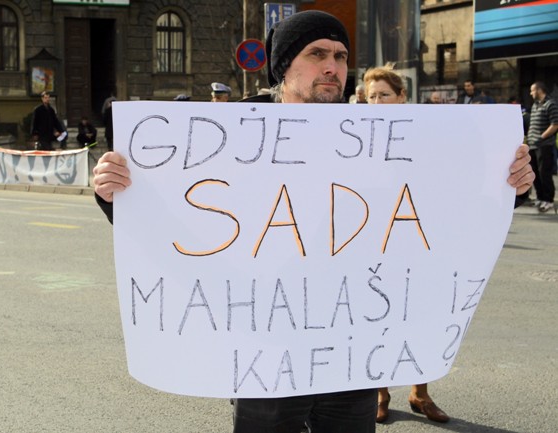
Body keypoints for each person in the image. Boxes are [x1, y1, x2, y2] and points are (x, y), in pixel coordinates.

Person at [91, 10, 535, 433]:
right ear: (283, 67)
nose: (332, 66)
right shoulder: (233, 136)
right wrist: (114, 196)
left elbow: (434, 211)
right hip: (265, 349)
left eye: (340, 56)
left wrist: (508, 191)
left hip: (350, 350)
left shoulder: (376, 138)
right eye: (317, 54)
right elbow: (180, 226)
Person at [363, 64, 450, 424]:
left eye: (384, 95)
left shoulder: (426, 136)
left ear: (402, 97)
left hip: (417, 239)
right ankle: (380, 394)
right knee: (377, 319)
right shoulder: (356, 138)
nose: (378, 102)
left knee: (420, 315)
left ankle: (420, 393)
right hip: (371, 243)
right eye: (370, 97)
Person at [526, 81, 558, 213]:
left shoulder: (550, 104)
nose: (530, 93)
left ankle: (548, 200)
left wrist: (542, 137)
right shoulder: (535, 105)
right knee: (535, 173)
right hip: (532, 145)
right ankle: (540, 197)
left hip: (544, 146)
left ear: (539, 90)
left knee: (544, 173)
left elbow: (555, 124)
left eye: (532, 90)